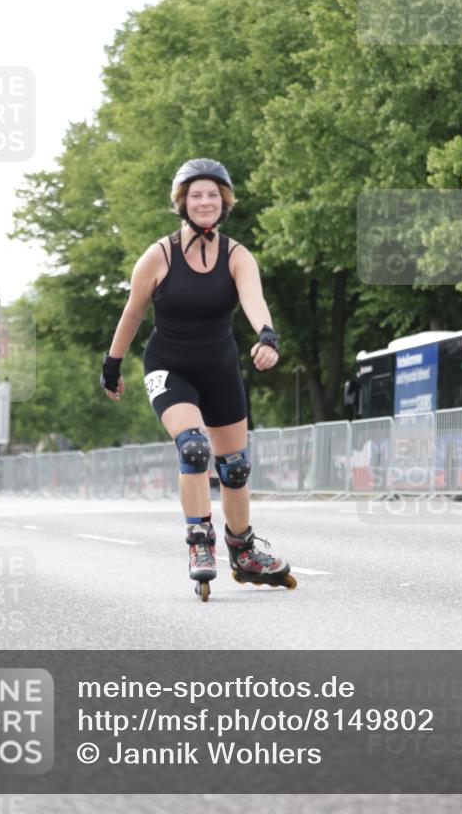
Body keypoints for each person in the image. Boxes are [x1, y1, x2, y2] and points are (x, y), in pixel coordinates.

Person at [101, 158, 295, 599]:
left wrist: (267, 336)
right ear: (182, 202)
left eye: (212, 195)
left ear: (223, 202)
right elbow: (132, 313)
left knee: (236, 467)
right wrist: (112, 365)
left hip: (220, 367)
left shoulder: (237, 255)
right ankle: (199, 542)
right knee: (193, 447)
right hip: (169, 367)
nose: (204, 201)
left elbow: (253, 300)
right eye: (196, 195)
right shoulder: (159, 255)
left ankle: (243, 550)